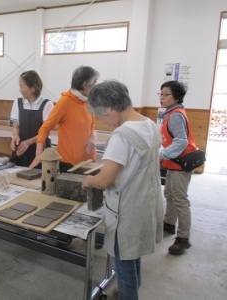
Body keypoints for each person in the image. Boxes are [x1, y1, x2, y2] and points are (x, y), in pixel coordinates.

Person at [82, 80, 163, 300]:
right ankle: (130, 292)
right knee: (133, 257)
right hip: (146, 204)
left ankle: (129, 295)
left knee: (124, 268)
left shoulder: (121, 135)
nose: (104, 122)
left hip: (127, 212)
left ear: (109, 108)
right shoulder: (149, 124)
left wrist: (90, 181)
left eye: (101, 116)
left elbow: (106, 179)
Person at [30, 66, 99, 172]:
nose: (96, 85)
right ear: (85, 85)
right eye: (95, 82)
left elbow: (92, 126)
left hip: (88, 162)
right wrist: (38, 154)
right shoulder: (65, 103)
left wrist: (93, 137)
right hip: (69, 165)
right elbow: (44, 129)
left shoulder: (88, 101)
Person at [158, 80, 196, 255]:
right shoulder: (170, 113)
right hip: (174, 164)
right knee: (170, 194)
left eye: (166, 95)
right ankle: (169, 224)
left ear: (177, 97)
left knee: (180, 199)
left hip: (181, 164)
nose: (162, 98)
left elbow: (181, 141)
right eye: (161, 94)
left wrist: (161, 155)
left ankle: (183, 238)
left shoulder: (175, 115)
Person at [10, 70, 54, 167]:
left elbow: (46, 132)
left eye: (22, 86)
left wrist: (28, 142)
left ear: (33, 88)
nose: (20, 89)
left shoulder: (47, 104)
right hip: (21, 149)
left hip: (40, 149)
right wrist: (15, 136)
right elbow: (14, 125)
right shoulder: (17, 102)